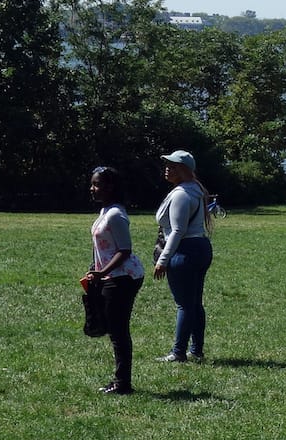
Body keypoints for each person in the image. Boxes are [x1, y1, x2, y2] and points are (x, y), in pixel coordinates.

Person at [86, 166, 145, 394]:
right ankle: (120, 381)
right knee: (112, 328)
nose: (92, 188)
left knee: (118, 331)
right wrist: (95, 269)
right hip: (110, 276)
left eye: (97, 184)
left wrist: (102, 272)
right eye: (92, 184)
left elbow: (124, 250)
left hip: (124, 277)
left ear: (110, 187)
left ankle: (123, 384)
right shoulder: (105, 211)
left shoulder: (115, 215)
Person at [154, 150, 214, 363]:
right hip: (201, 246)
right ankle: (196, 350)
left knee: (185, 305)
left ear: (184, 170)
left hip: (185, 250)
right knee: (195, 303)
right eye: (167, 165)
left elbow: (178, 231)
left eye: (173, 166)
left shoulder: (181, 194)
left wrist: (162, 261)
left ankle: (178, 352)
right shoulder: (195, 190)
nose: (167, 169)